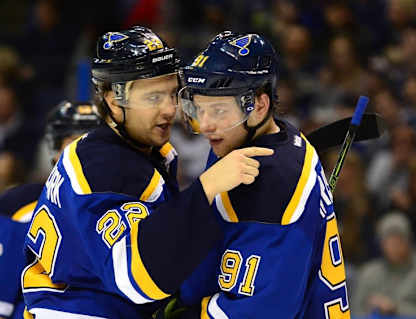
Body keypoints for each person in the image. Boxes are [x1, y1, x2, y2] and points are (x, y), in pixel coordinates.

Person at [21, 26, 272, 319]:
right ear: (114, 102)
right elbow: (136, 279)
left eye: (171, 94)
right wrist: (207, 188)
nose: (169, 109)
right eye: (154, 98)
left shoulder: (130, 153)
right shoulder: (105, 166)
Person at [161, 31, 351, 318]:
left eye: (218, 111)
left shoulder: (276, 184)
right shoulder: (238, 141)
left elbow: (265, 309)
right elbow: (213, 238)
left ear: (259, 105)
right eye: (199, 110)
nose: (207, 125)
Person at [0, 101, 101, 319]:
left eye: (96, 144)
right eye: (74, 143)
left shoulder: (137, 206)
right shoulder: (18, 209)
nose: (86, 155)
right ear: (54, 148)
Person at [352, 212, 416, 316]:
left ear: (409, 241)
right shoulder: (369, 273)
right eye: (388, 241)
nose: (393, 246)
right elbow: (355, 311)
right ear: (381, 245)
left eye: (399, 240)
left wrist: (395, 307)